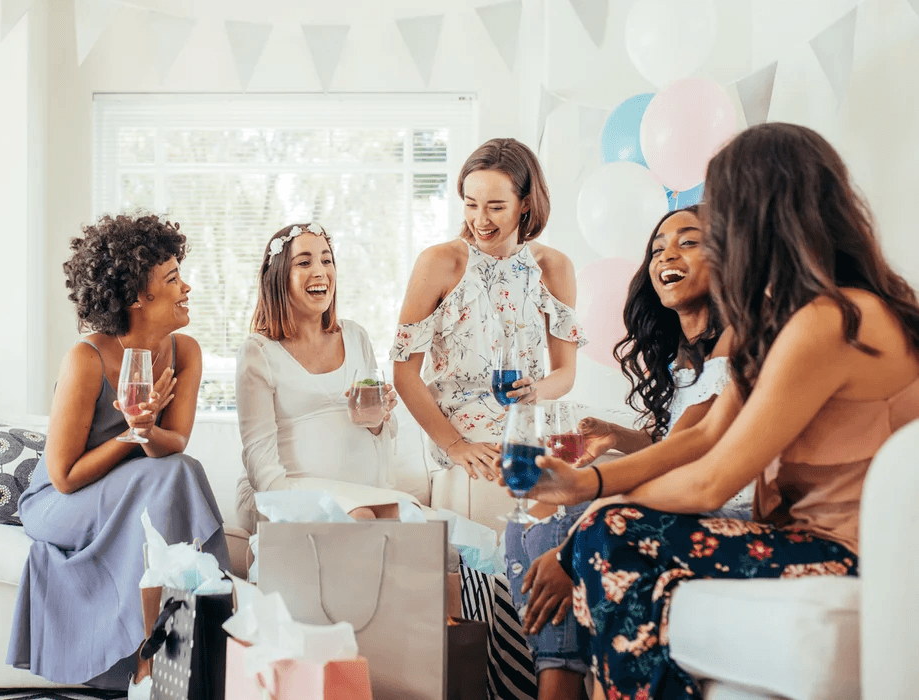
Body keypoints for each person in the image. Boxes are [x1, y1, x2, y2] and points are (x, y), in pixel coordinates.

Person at [528, 123, 919, 700]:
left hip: (846, 552)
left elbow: (713, 480)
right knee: (601, 527)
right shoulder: (791, 319)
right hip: (804, 538)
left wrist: (595, 505)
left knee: (606, 532)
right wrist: (587, 483)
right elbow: (704, 436)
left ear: (755, 218)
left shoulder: (832, 321)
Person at [503, 206, 750, 700]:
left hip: (727, 506)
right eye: (658, 248)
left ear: (729, 258)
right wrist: (616, 435)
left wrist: (585, 510)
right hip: (689, 492)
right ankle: (561, 675)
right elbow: (679, 442)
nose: (667, 255)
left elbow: (691, 450)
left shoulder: (737, 344)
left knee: (562, 522)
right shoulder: (686, 358)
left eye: (688, 242)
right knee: (520, 525)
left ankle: (557, 684)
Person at [391, 137, 586, 700]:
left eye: (495, 206)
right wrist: (453, 445)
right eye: (470, 203)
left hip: (528, 432)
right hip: (463, 435)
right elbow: (405, 371)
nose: (479, 219)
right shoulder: (440, 263)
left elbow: (564, 373)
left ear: (526, 202)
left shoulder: (553, 267)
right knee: (490, 574)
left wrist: (536, 390)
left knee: (549, 564)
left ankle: (544, 680)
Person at [7, 213, 228, 689]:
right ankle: (157, 656)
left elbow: (175, 445)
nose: (186, 288)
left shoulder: (185, 351)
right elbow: (64, 476)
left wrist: (147, 431)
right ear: (135, 297)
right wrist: (130, 434)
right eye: (172, 279)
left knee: (178, 470)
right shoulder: (87, 359)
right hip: (61, 502)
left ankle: (166, 647)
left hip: (142, 488)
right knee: (169, 477)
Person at [235, 222, 421, 532]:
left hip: (357, 493)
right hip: (287, 493)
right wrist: (287, 509)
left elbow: (381, 432)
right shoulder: (258, 352)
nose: (320, 271)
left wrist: (377, 420)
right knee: (357, 519)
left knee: (407, 515)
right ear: (279, 276)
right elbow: (259, 457)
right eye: (304, 262)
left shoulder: (355, 336)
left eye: (327, 259)